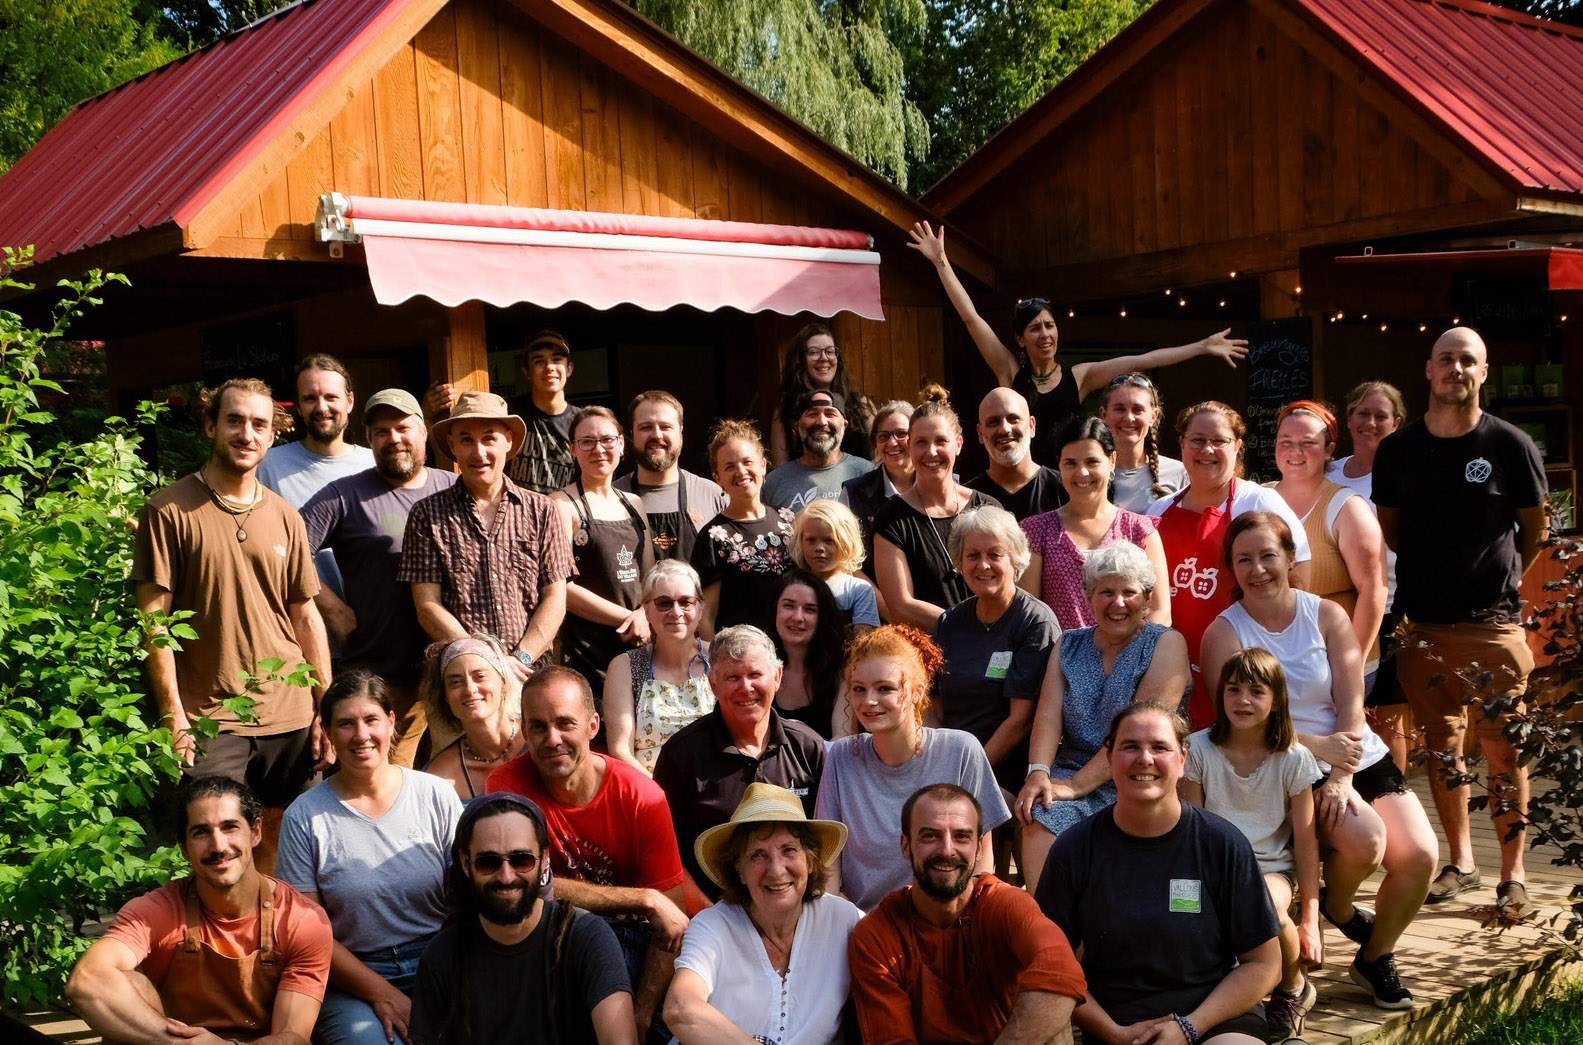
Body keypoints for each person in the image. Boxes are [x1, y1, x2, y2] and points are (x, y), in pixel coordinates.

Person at [1200, 511, 1437, 1011]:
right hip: (1280, 757)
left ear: (1290, 557)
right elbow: (1240, 720)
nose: (1258, 569)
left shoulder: (1326, 614)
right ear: (1231, 567)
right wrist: (1316, 750)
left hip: (1352, 751)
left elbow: (1352, 703)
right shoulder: (1224, 632)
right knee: (1365, 840)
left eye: (1268, 555)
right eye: (1244, 559)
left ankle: (1369, 948)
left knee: (1419, 856)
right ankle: (1329, 902)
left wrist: (1342, 775)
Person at [1373, 327, 1547, 921]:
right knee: (1443, 751)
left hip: (1494, 627)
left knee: (1504, 750)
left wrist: (1497, 581)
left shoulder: (1511, 445)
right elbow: (1391, 529)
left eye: (1467, 359)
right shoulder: (1398, 450)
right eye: (1446, 358)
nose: (1455, 368)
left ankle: (1514, 874)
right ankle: (1461, 863)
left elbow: (1535, 530)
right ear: (1427, 369)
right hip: (1423, 627)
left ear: (1484, 371)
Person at [133, 378, 333, 870]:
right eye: (235, 421)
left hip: (290, 712)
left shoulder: (286, 515)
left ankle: (271, 945)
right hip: (210, 718)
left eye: (259, 425)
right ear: (210, 425)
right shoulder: (169, 510)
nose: (247, 433)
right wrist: (171, 715)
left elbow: (305, 615)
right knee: (215, 851)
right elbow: (153, 620)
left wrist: (325, 705)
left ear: (271, 436)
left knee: (284, 852)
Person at [1037, 703, 1282, 1045]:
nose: (1145, 758)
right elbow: (1050, 967)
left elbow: (1264, 964)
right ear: (1109, 759)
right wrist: (1114, 1033)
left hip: (1214, 1019)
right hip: (1118, 1029)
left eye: (1160, 747)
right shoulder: (1074, 851)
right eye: (1130, 746)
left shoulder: (1221, 844)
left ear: (1182, 760)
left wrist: (1190, 1027)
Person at [907, 221, 1247, 461]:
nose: (1045, 334)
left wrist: (1203, 347)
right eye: (1036, 328)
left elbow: (1143, 360)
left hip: (1069, 481)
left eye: (1050, 326)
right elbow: (971, 318)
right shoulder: (1009, 373)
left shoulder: (1079, 376)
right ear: (1020, 339)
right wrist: (941, 261)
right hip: (1024, 477)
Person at [486, 667, 689, 1041]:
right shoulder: (508, 785)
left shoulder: (642, 796)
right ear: (524, 731)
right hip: (544, 936)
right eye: (538, 727)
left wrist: (641, 1016)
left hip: (634, 940)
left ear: (593, 725)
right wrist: (644, 898)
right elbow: (520, 882)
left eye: (565, 723)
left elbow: (671, 926)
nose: (552, 739)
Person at [66, 776, 333, 1045]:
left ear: (255, 832)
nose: (218, 846)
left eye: (230, 827)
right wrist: (180, 1043)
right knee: (130, 985)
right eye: (201, 832)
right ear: (183, 848)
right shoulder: (157, 909)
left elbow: (292, 1038)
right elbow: (87, 980)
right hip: (170, 1041)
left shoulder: (301, 919)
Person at [276, 672, 462, 1045]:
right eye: (345, 724)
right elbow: (307, 932)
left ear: (392, 723)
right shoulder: (305, 816)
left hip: (442, 960)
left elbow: (467, 898)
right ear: (327, 733)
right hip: (351, 974)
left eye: (371, 720)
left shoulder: (435, 795)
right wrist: (383, 993)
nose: (361, 736)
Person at [847, 784, 1085, 1044]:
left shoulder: (1006, 905)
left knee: (1052, 1015)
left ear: (979, 847)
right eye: (930, 836)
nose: (947, 850)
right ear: (906, 845)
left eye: (961, 837)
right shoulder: (875, 935)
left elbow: (1061, 973)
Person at [1015, 543, 1190, 891]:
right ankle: (1047, 931)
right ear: (1088, 596)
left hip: (1141, 772)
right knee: (1040, 815)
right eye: (1106, 591)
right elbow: (1048, 716)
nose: (1118, 602)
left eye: (1129, 592)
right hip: (1070, 770)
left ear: (1149, 598)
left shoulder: (1167, 644)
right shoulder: (1068, 644)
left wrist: (1076, 786)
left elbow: (1138, 733)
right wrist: (1039, 773)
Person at [302, 388, 458, 767]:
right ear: (369, 440)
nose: (394, 439)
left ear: (423, 432)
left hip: (452, 672)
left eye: (403, 428)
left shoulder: (452, 487)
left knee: (458, 782)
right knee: (387, 782)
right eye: (382, 432)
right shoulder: (345, 494)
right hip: (384, 678)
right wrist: (331, 606)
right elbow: (286, 554)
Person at [408, 792, 635, 1044]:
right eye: (488, 862)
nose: (506, 876)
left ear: (544, 859)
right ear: (465, 863)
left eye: (521, 860)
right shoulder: (443, 955)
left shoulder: (587, 937)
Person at [815, 625, 1011, 911]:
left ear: (917, 692)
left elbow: (980, 862)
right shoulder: (841, 757)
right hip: (865, 925)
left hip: (946, 919)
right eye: (859, 689)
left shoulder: (961, 750)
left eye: (885, 688)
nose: (869, 701)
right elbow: (829, 864)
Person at [1181, 651, 1323, 1041]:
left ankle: (1293, 988)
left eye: (1256, 691)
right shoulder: (1197, 749)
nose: (1243, 700)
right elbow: (1193, 827)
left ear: (1275, 699)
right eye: (1233, 690)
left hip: (1271, 867)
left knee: (1266, 910)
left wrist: (1310, 913)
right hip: (1213, 863)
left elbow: (1306, 840)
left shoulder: (1294, 757)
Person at [1146, 401, 1310, 727]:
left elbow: (1299, 578)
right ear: (1181, 445)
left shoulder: (1258, 501)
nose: (1207, 449)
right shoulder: (1158, 510)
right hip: (1172, 670)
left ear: (1236, 446)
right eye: (1197, 440)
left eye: (1219, 441)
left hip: (1242, 670)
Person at [665, 784, 860, 1045]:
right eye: (758, 855)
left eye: (789, 850)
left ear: (810, 860)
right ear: (739, 871)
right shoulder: (713, 926)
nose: (776, 870)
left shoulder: (842, 919)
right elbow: (680, 1008)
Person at [400, 390, 572, 677]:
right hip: (461, 680)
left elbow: (555, 598)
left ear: (509, 441)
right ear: (453, 446)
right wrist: (485, 661)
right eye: (467, 440)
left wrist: (520, 658)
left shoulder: (543, 510)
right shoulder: (426, 515)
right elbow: (427, 606)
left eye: (489, 438)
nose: (478, 452)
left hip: (530, 678)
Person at [653, 626, 827, 900]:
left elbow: (824, 847)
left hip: (796, 910)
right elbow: (663, 853)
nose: (746, 687)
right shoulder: (681, 755)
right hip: (713, 913)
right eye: (732, 677)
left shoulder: (808, 747)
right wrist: (712, 919)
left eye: (755, 674)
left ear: (777, 677)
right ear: (713, 684)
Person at [933, 505, 1059, 793]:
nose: (983, 565)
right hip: (952, 763)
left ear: (1014, 560)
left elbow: (1021, 720)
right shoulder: (948, 622)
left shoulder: (1034, 622)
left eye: (994, 555)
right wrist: (937, 760)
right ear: (959, 561)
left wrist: (968, 773)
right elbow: (933, 703)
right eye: (973, 555)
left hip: (1008, 771)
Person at [1268, 400, 1388, 692]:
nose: (1295, 451)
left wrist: (1352, 665)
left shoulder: (1347, 507)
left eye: (1308, 443)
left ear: (1329, 450)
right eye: (1286, 441)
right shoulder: (1258, 497)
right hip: (1273, 663)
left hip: (1332, 661)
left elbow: (1374, 589)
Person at [1020, 415, 1170, 630]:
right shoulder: (1035, 532)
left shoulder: (1139, 530)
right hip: (1057, 657)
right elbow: (1029, 612)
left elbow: (1160, 611)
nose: (1082, 473)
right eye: (1070, 463)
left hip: (1129, 658)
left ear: (1112, 461)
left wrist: (1131, 656)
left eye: (1092, 462)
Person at [1329, 380, 1410, 769]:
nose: (1371, 422)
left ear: (1397, 423)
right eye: (1363, 413)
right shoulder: (1328, 473)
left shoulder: (1410, 474)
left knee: (1387, 718)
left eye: (1381, 416)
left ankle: (1393, 791)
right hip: (1337, 610)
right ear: (1348, 420)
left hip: (1393, 610)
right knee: (1339, 711)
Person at [257, 355, 376, 618]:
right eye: (310, 399)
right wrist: (333, 610)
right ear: (298, 406)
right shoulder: (267, 468)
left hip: (374, 633)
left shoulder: (375, 465)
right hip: (298, 630)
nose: (322, 407)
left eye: (331, 397)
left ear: (350, 401)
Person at [873, 387, 1000, 630]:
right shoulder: (890, 519)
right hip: (930, 655)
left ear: (959, 444)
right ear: (910, 447)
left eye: (941, 441)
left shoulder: (989, 507)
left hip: (993, 649)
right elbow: (901, 606)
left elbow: (1008, 583)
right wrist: (968, 628)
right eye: (921, 442)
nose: (931, 452)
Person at [553, 406, 654, 692]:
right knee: (597, 728)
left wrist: (645, 614)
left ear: (621, 445)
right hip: (586, 649)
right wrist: (629, 618)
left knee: (640, 725)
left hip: (638, 644)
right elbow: (561, 587)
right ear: (572, 449)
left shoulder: (634, 504)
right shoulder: (562, 505)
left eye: (607, 440)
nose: (599, 449)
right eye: (587, 442)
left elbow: (649, 577)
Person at [603, 560, 716, 776]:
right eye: (664, 603)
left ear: (700, 608)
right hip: (649, 792)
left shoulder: (720, 659)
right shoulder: (625, 667)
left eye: (686, 602)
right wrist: (660, 795)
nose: (676, 612)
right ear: (646, 611)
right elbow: (620, 751)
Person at [690, 420, 795, 637]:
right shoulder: (713, 537)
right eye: (729, 466)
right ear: (717, 478)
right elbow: (706, 615)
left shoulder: (789, 522)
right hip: (741, 660)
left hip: (792, 652)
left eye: (748, 462)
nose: (741, 471)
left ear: (763, 466)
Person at [614, 390, 726, 563]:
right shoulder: (612, 498)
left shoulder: (714, 495)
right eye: (645, 427)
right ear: (632, 434)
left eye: (666, 427)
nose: (657, 435)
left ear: (680, 433)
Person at [419, 635, 527, 801]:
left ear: (503, 682)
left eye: (480, 677)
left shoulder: (537, 738)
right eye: (455, 682)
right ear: (446, 696)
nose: (469, 689)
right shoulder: (439, 777)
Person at [770, 323, 875, 466]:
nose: (824, 358)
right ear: (800, 360)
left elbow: (879, 455)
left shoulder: (860, 404)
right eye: (814, 352)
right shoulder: (785, 411)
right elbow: (781, 471)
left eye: (830, 351)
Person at [767, 568, 852, 739]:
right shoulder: (759, 668)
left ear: (822, 617)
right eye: (789, 606)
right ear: (775, 609)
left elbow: (842, 739)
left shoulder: (842, 670)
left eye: (810, 609)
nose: (798, 617)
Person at [761, 389, 876, 512]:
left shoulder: (868, 474)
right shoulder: (773, 483)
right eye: (812, 414)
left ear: (844, 424)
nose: (821, 422)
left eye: (830, 414)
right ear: (796, 425)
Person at [840, 399, 915, 578]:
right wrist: (885, 605)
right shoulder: (853, 493)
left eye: (901, 434)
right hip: (873, 600)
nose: (892, 442)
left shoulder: (935, 486)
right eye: (884, 436)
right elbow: (847, 560)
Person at [965, 387, 1065, 520]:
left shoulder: (1065, 489)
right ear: (980, 433)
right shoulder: (965, 500)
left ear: (1032, 426)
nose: (1004, 429)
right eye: (993, 422)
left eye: (1013, 419)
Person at [1101, 372, 1188, 513]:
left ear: (1153, 416)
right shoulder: (1091, 472)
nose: (1129, 418)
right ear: (1104, 414)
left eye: (1137, 410)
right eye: (1119, 409)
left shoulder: (1179, 472)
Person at [505, 330, 579, 495]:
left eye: (557, 360)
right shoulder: (507, 413)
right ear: (526, 371)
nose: (549, 367)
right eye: (539, 361)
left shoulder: (581, 422)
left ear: (569, 369)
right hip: (516, 514)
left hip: (564, 515)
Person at [789, 497, 880, 631]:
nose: (819, 547)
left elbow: (862, 642)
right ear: (800, 542)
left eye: (829, 541)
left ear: (847, 542)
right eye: (811, 540)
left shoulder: (858, 590)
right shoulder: (791, 585)